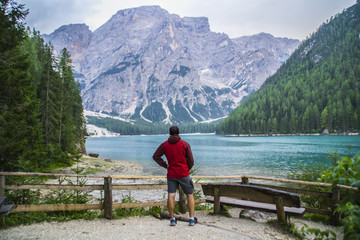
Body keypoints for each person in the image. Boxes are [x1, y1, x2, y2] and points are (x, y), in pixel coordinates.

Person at [152, 126, 197, 226]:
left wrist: (166, 165)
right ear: (179, 132)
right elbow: (191, 161)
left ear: (169, 133)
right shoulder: (185, 144)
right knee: (190, 195)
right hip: (184, 173)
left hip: (171, 174)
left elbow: (155, 156)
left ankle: (172, 219)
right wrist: (186, 169)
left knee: (171, 195)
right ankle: (191, 219)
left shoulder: (164, 145)